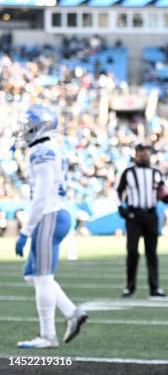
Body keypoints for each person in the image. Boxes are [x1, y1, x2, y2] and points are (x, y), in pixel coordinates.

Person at [13, 104, 87, 348]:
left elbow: (41, 196)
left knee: (43, 277)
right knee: (31, 275)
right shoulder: (47, 148)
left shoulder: (41, 152)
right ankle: (71, 312)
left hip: (50, 215)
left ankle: (48, 336)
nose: (25, 129)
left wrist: (25, 231)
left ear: (40, 125)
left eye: (28, 124)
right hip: (53, 213)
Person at [116, 143, 168, 298]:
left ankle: (154, 288)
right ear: (136, 155)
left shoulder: (156, 172)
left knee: (152, 252)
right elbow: (118, 191)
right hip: (133, 215)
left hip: (151, 215)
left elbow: (161, 190)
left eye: (147, 154)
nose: (145, 156)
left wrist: (166, 196)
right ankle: (129, 287)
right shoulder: (128, 173)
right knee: (132, 252)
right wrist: (121, 207)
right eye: (142, 154)